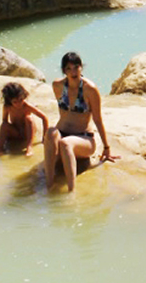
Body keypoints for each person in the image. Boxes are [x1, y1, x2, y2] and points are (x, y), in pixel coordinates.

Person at [44, 51, 115, 192]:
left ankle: (71, 192)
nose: (73, 71)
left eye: (76, 67)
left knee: (66, 143)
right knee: (51, 132)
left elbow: (97, 119)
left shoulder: (90, 89)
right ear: (64, 70)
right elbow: (63, 112)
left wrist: (106, 148)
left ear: (81, 67)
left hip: (83, 139)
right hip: (62, 132)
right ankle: (48, 184)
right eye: (69, 68)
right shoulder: (57, 86)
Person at [0, 82, 49, 157]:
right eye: (15, 102)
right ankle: (0, 149)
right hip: (16, 132)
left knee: (29, 118)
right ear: (9, 101)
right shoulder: (7, 107)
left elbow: (44, 118)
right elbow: (4, 122)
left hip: (27, 132)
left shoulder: (26, 106)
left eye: (21, 100)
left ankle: (29, 147)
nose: (19, 104)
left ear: (24, 96)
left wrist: (44, 138)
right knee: (4, 125)